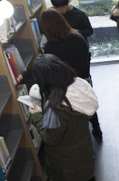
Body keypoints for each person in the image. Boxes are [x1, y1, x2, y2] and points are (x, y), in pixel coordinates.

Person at [29, 54, 99, 181]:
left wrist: (36, 115)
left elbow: (50, 138)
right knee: (88, 175)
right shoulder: (79, 84)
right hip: (83, 143)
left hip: (68, 155)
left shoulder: (56, 106)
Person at [39, 8, 103, 137]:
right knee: (87, 102)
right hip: (83, 78)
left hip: (66, 85)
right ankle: (96, 128)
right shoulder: (78, 37)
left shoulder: (50, 48)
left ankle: (83, 132)